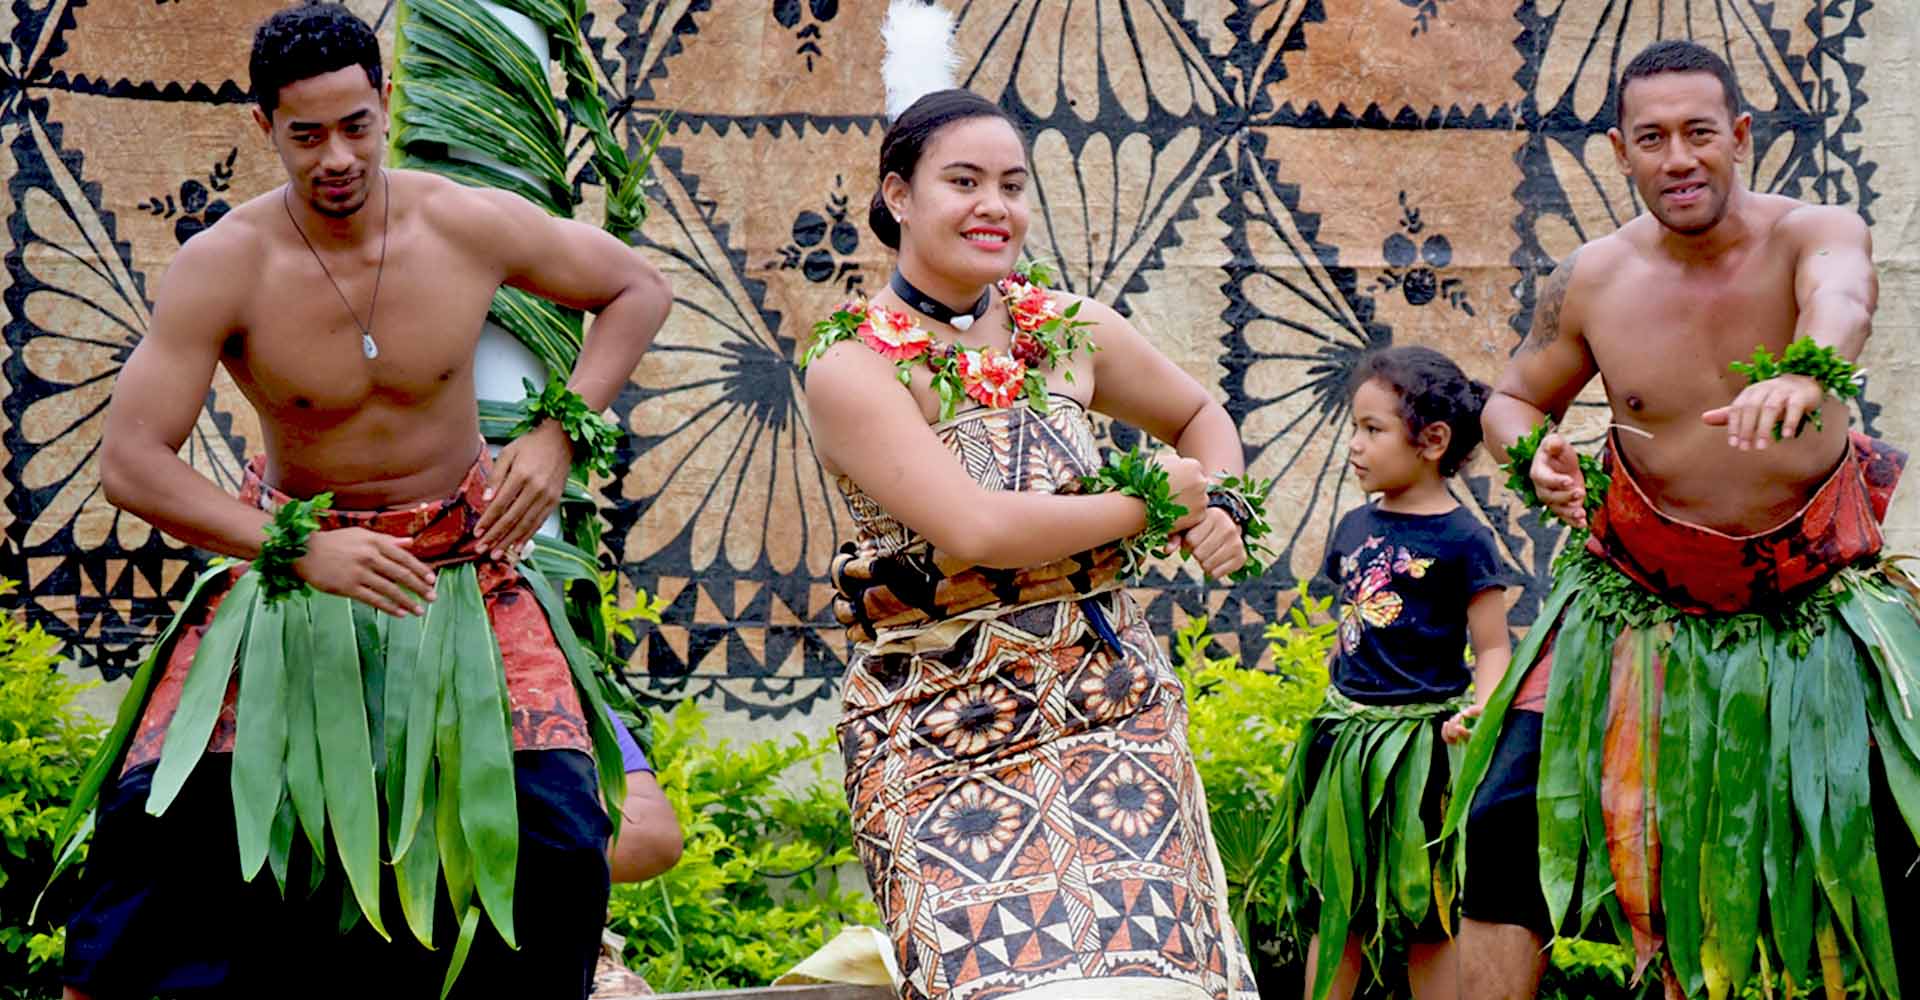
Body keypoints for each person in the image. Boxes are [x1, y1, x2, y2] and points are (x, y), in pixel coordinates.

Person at [58, 4, 672, 998]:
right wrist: (294, 550)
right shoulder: (226, 264)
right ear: (265, 128)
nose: (336, 155)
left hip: (460, 565)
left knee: (559, 836)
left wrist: (559, 432)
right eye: (306, 135)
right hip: (296, 573)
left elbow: (635, 289)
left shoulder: (462, 222)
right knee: (157, 836)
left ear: (384, 104)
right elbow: (131, 461)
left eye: (356, 125)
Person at [1450, 39, 1919, 999]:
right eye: (1652, 138)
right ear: (1620, 151)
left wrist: (1805, 365)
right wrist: (1527, 452)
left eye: (1700, 133)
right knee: (1500, 832)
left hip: (1815, 609)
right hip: (1634, 609)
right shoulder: (1591, 278)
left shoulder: (1811, 233)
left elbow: (1844, 296)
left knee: (1903, 839)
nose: (1680, 158)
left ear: (1740, 136)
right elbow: (1510, 399)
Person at [800, 87, 1261, 1000]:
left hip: (1108, 701)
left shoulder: (1065, 328)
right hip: (937, 727)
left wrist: (1225, 504)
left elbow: (1200, 414)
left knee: (1154, 983)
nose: (994, 206)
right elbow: (978, 529)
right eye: (963, 181)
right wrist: (1149, 505)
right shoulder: (849, 366)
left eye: (1012, 184)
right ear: (898, 195)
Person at [1277, 347, 1513, 1000]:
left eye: (1372, 429)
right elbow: (1351, 624)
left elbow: (1492, 646)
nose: (1354, 445)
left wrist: (1481, 714)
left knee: (1428, 915)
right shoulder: (1353, 525)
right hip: (1344, 749)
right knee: (1337, 904)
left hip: (1422, 753)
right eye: (1355, 427)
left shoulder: (1464, 539)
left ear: (1432, 440)